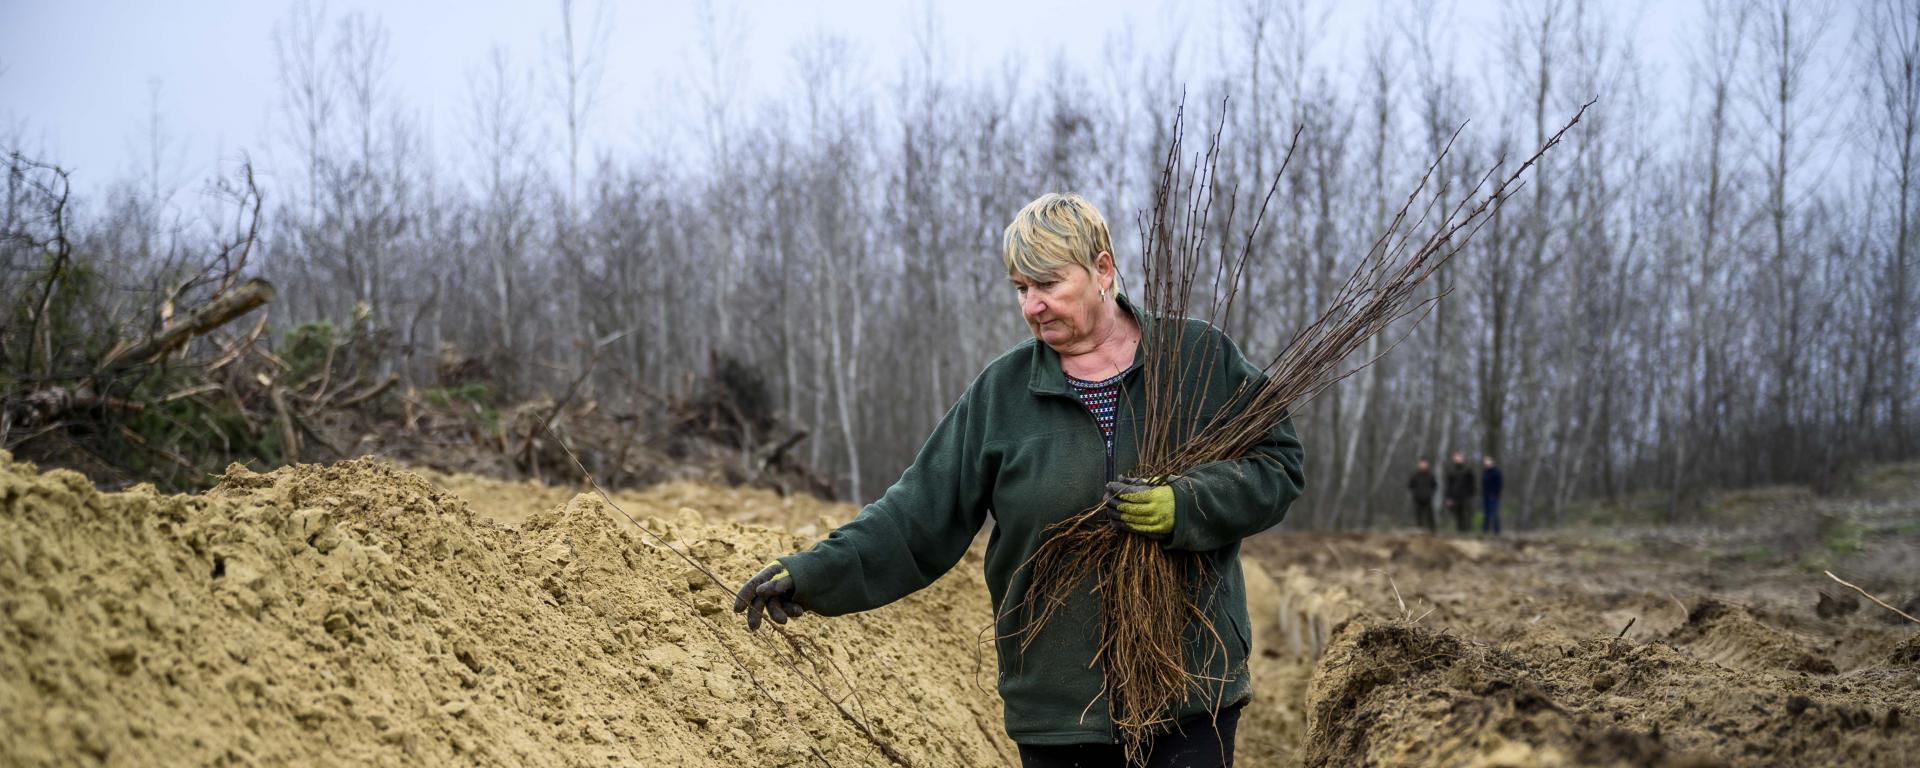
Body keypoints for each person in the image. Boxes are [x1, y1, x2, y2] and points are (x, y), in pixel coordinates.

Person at [733, 193, 1306, 767]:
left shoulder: (1196, 359)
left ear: (1102, 270)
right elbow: (915, 517)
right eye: (1020, 289)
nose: (1033, 306)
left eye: (1048, 285)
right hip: (1061, 709)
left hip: (1189, 691)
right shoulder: (1002, 395)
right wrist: (814, 571)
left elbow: (1276, 464)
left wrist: (1187, 506)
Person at [1442, 451, 1476, 533]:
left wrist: (1470, 494)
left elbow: (1472, 484)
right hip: (1454, 497)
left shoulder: (1468, 470)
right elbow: (1448, 486)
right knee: (1458, 516)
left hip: (1466, 497)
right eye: (1456, 457)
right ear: (1453, 459)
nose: (1458, 459)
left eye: (1459, 457)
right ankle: (1459, 533)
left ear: (1462, 458)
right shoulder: (1451, 471)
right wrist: (1448, 498)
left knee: (1466, 516)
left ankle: (1468, 534)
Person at [1408, 458, 1438, 532]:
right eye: (1422, 464)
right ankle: (1419, 531)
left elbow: (1434, 486)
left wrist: (1430, 494)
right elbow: (1410, 486)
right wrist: (1415, 494)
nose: (1423, 465)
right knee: (1418, 516)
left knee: (1430, 516)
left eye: (1425, 464)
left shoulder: (1430, 476)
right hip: (1417, 499)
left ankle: (1432, 531)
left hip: (1428, 499)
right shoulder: (1415, 475)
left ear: (1427, 465)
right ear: (1419, 465)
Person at [1481, 455, 1504, 534]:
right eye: (1485, 461)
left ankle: (1497, 531)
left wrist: (1496, 494)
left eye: (1488, 461)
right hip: (1485, 495)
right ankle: (1485, 530)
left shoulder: (1496, 472)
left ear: (1492, 462)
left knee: (1494, 514)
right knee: (1486, 513)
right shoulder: (1485, 472)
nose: (1486, 463)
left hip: (1493, 496)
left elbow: (1499, 485)